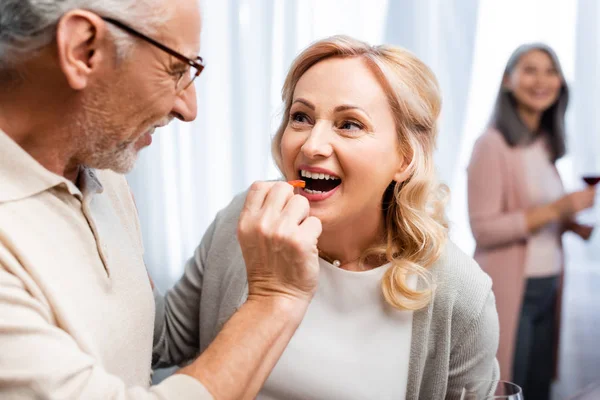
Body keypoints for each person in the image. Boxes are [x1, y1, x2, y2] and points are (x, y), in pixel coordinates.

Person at [0, 1, 322, 399]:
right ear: (83, 49)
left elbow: (148, 338)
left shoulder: (105, 177)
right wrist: (275, 298)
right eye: (176, 70)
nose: (189, 108)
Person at [153, 35, 500, 400]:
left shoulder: (462, 295)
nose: (312, 145)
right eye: (300, 117)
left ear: (405, 159)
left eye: (349, 124)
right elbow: (163, 340)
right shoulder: (248, 221)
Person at [467, 43, 596, 400]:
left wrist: (571, 223)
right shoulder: (490, 145)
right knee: (510, 386)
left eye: (550, 70)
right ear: (508, 80)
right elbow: (485, 229)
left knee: (538, 387)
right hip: (513, 290)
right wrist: (557, 209)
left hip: (547, 286)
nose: (542, 80)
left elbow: (531, 215)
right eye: (530, 69)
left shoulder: (542, 143)